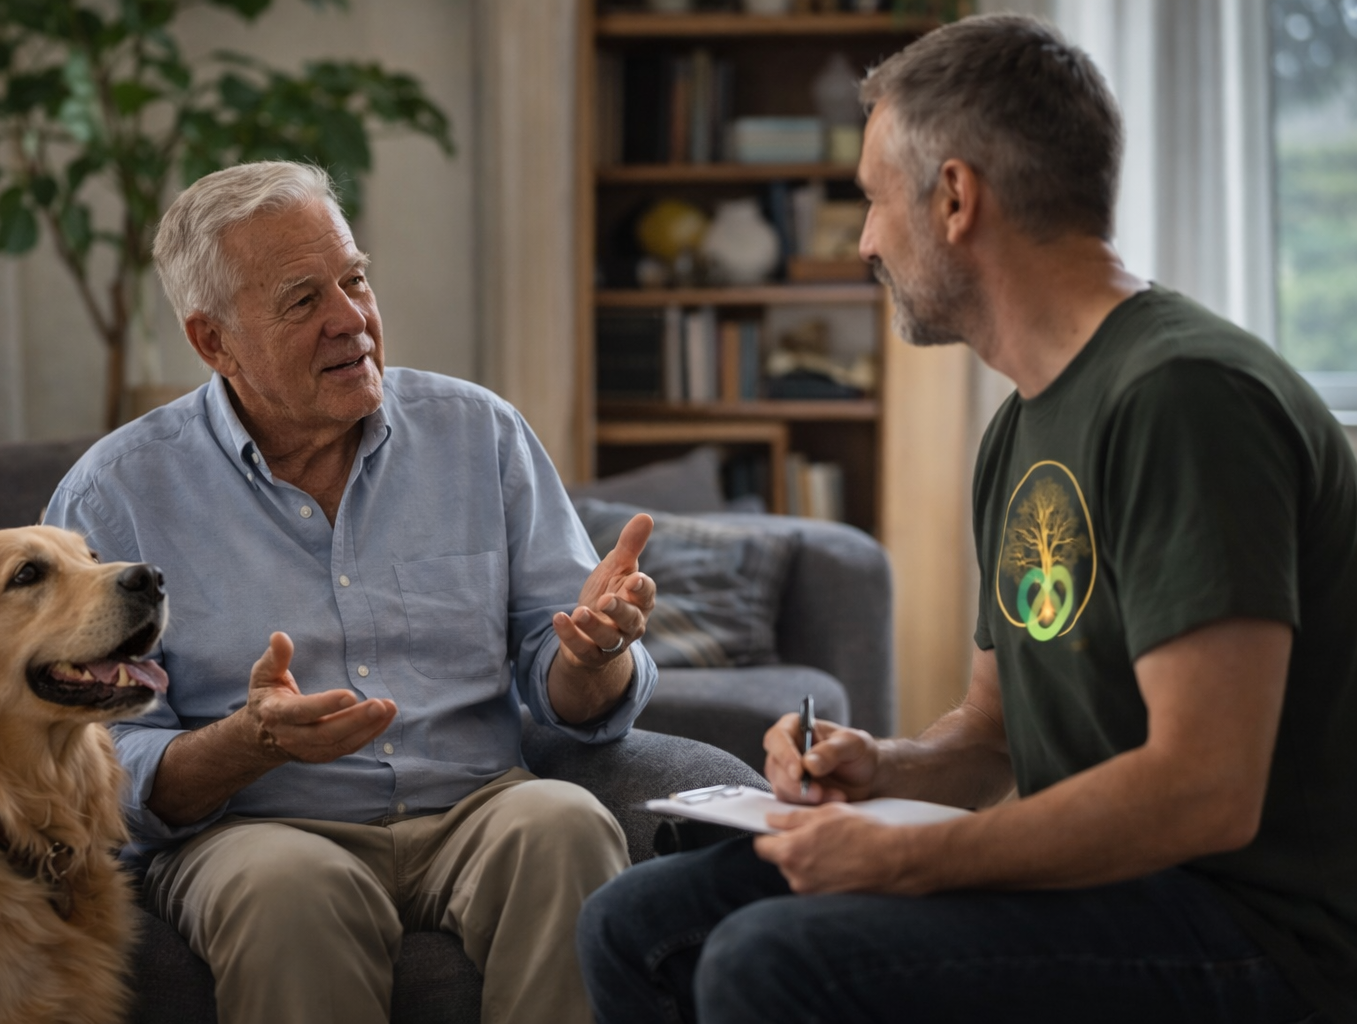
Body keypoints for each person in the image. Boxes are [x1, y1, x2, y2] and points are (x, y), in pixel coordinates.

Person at [576, 14, 1357, 1024]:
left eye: (868, 200)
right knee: (634, 923)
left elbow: (1204, 788)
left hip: (1254, 931)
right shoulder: (1024, 421)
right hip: (1112, 891)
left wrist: (908, 856)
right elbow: (990, 732)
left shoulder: (1183, 396)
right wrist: (880, 766)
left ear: (953, 196)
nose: (861, 240)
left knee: (771, 959)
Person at [44, 160, 660, 1024]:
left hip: (473, 803)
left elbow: (563, 682)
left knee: (564, 824)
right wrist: (247, 742)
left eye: (356, 279)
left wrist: (596, 653)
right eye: (303, 301)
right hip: (255, 830)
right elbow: (93, 766)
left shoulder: (479, 433)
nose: (352, 319)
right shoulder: (116, 494)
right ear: (213, 341)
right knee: (286, 888)